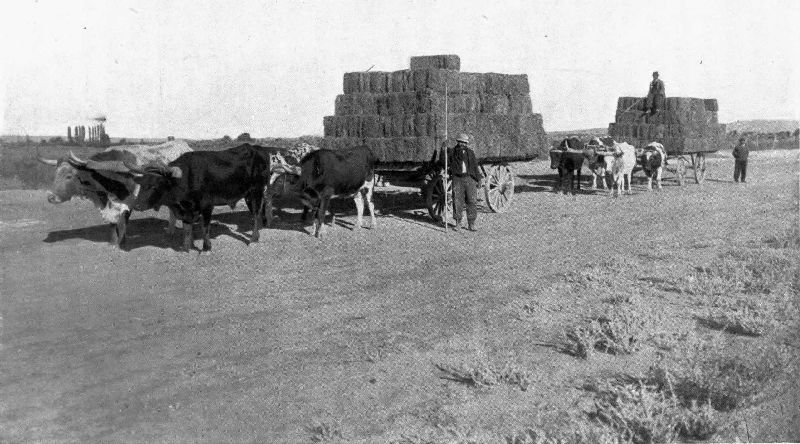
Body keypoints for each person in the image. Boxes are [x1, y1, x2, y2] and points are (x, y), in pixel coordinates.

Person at [440, 133, 481, 231]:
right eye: (461, 142)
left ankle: (471, 223)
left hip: (470, 179)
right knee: (457, 201)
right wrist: (443, 150)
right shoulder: (452, 152)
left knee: (472, 201)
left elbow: (475, 166)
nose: (463, 144)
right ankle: (458, 223)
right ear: (458, 142)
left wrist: (479, 179)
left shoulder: (470, 153)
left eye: (465, 142)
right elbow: (444, 162)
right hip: (457, 179)